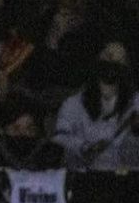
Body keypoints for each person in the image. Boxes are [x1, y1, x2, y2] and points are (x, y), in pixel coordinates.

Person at [54, 40, 139, 170]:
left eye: (120, 60)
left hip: (127, 180)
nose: (112, 64)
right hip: (85, 179)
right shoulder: (74, 104)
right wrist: (84, 147)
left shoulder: (135, 103)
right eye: (109, 56)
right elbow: (60, 138)